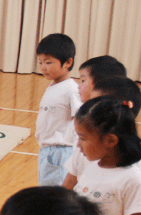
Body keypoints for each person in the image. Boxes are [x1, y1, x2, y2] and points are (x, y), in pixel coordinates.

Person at [35, 33, 82, 186]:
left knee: (57, 197)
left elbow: (81, 119)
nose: (43, 67)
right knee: (48, 194)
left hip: (61, 152)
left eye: (48, 62)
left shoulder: (71, 89)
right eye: (40, 62)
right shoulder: (53, 86)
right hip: (47, 150)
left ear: (68, 62)